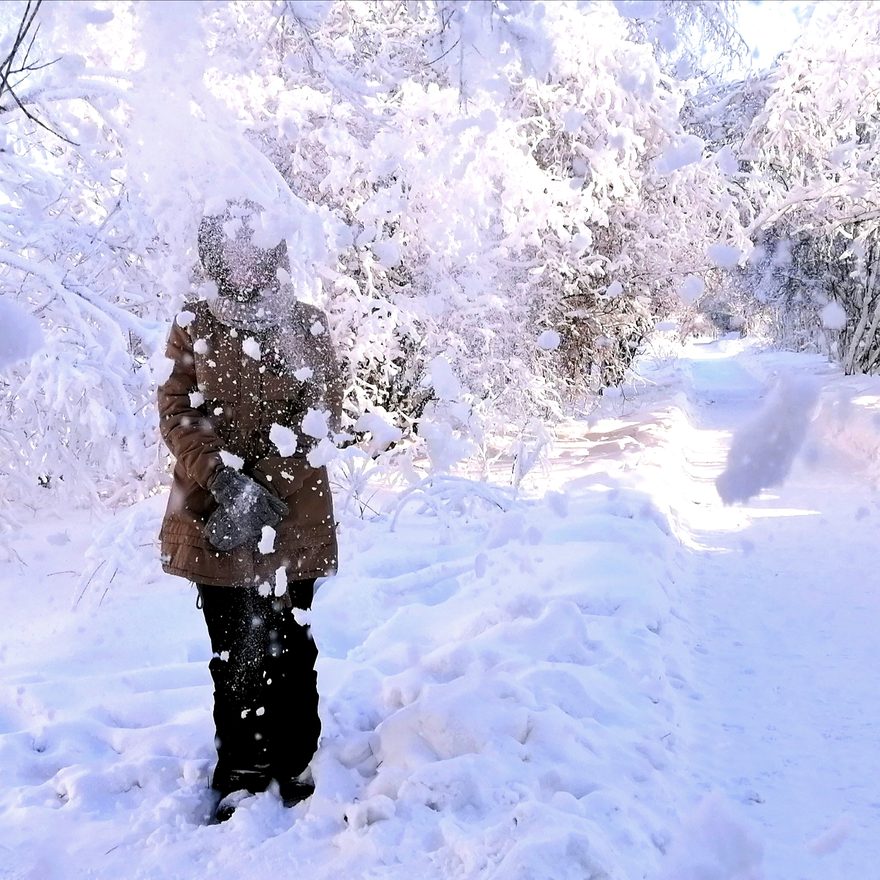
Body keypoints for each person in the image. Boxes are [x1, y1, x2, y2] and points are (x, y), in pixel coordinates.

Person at [156, 200, 344, 823]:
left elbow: (322, 420)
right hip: (216, 514)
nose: (242, 259)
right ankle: (241, 765)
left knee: (290, 641)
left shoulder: (307, 325)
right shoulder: (193, 323)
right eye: (228, 247)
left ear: (272, 251)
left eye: (252, 245)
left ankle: (294, 758)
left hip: (294, 518)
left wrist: (266, 482)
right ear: (213, 255)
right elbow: (177, 408)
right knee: (234, 648)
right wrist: (223, 479)